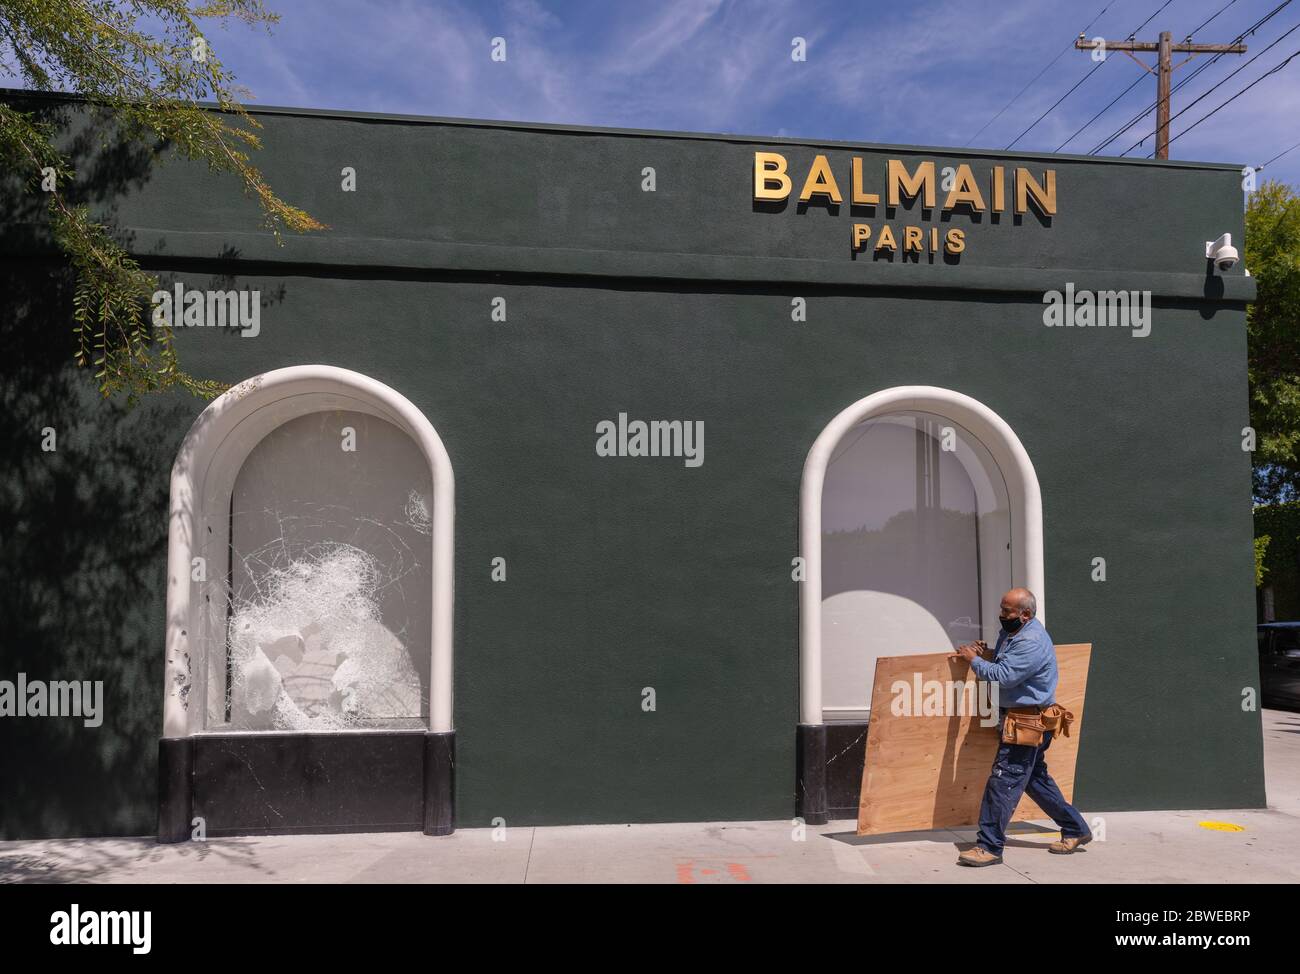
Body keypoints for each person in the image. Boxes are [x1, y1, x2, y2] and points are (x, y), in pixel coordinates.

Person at [953, 587, 1092, 867]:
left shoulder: (1031, 641)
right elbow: (1005, 662)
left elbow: (1004, 676)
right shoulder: (1012, 632)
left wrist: (974, 660)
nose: (1001, 615)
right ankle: (1075, 828)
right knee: (1034, 780)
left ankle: (989, 847)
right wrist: (987, 653)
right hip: (1019, 719)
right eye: (1002, 609)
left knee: (1002, 782)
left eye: (1007, 611)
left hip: (1027, 722)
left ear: (1026, 614)